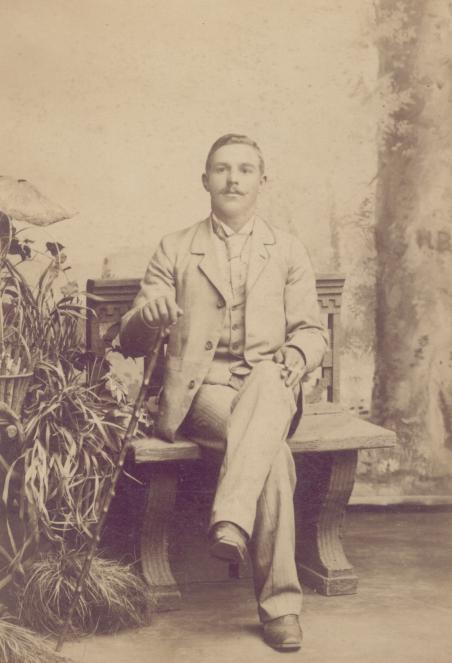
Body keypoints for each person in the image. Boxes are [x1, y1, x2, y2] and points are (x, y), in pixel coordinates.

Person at [120, 134, 328, 651]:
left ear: (262, 181)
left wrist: (297, 353)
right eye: (222, 169)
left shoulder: (287, 249)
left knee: (269, 383)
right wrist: (148, 317)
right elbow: (131, 338)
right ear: (205, 180)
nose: (233, 179)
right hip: (203, 391)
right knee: (273, 456)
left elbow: (310, 330)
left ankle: (232, 518)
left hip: (271, 383)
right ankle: (281, 607)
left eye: (245, 169)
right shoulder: (175, 247)